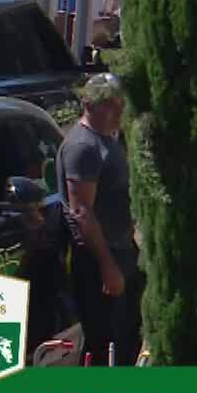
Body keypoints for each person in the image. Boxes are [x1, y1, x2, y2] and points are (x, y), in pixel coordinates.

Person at [58, 73, 142, 366]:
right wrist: (108, 267)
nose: (117, 112)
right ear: (88, 105)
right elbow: (82, 213)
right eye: (109, 105)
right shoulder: (83, 147)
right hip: (98, 262)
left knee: (126, 339)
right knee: (102, 344)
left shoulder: (109, 140)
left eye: (120, 104)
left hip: (122, 252)